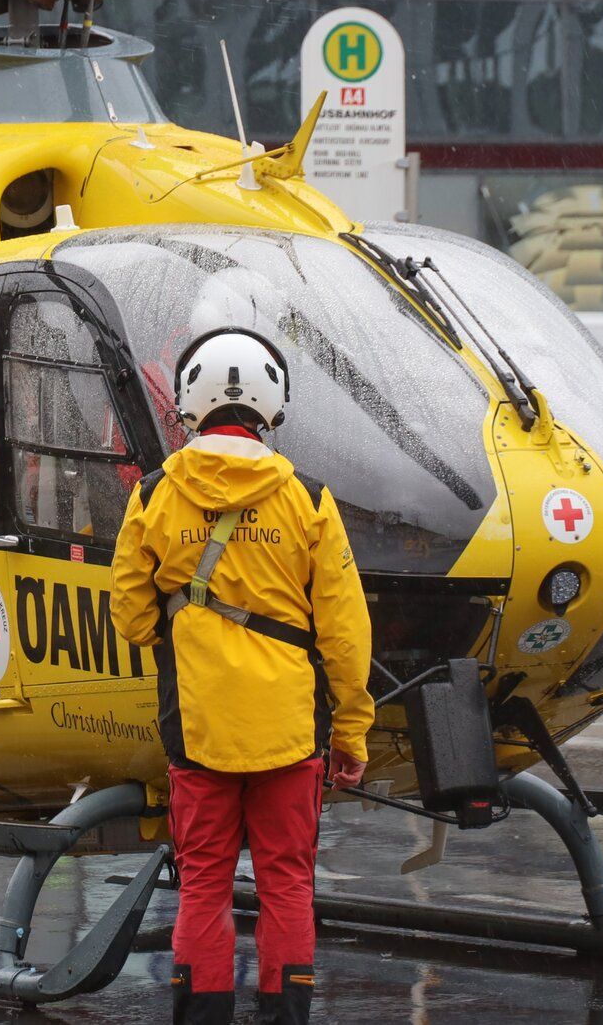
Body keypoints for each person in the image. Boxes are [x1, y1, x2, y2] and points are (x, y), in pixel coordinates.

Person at [111, 328, 374, 1025]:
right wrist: (351, 727)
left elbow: (131, 616)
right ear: (272, 405)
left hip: (197, 725)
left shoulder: (154, 496)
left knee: (203, 881)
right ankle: (285, 1013)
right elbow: (345, 634)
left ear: (191, 403)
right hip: (290, 728)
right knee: (287, 880)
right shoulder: (310, 500)